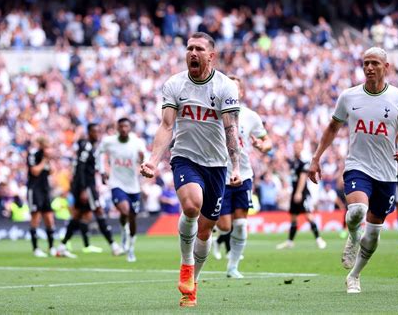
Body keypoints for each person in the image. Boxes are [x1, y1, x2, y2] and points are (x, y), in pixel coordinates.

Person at [140, 32, 242, 307]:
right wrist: (153, 159)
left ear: (211, 55)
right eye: (189, 48)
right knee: (191, 206)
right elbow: (166, 125)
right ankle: (186, 265)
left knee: (206, 230)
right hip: (185, 157)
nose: (192, 53)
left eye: (198, 49)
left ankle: (192, 284)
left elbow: (231, 128)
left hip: (217, 164)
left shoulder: (224, 87)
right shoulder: (175, 84)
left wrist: (236, 166)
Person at [308, 47, 398, 294]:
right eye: (365, 63)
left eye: (374, 63)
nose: (369, 68)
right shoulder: (349, 97)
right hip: (357, 166)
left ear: (386, 67)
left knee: (374, 233)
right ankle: (352, 235)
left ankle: (354, 275)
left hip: (387, 173)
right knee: (357, 209)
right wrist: (316, 159)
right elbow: (331, 128)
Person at [212, 75, 272, 278]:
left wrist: (262, 146)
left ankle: (232, 267)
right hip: (220, 174)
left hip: (244, 175)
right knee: (224, 225)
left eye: (235, 88)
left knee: (240, 224)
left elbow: (267, 141)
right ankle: (214, 234)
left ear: (242, 92)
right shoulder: (214, 114)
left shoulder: (251, 116)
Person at [57, 123, 123, 258]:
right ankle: (114, 246)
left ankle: (62, 246)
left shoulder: (91, 147)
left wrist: (102, 174)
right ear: (89, 132)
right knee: (98, 211)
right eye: (94, 132)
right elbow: (80, 168)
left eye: (98, 131)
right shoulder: (86, 146)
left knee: (78, 215)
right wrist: (83, 189)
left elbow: (87, 167)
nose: (97, 134)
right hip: (86, 186)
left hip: (86, 185)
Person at [97, 118, 147, 262]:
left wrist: (142, 159)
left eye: (126, 126)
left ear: (130, 128)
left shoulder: (137, 142)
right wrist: (102, 170)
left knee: (132, 216)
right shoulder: (109, 141)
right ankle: (124, 231)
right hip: (116, 183)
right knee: (125, 210)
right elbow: (99, 153)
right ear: (117, 128)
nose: (124, 129)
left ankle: (130, 247)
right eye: (121, 127)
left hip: (133, 185)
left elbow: (145, 159)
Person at [277, 141, 327, 250]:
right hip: (295, 192)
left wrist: (299, 192)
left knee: (308, 216)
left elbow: (303, 179)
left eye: (298, 147)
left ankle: (319, 239)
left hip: (302, 193)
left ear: (302, 148)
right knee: (293, 218)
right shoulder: (294, 163)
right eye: (295, 147)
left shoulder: (304, 163)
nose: (296, 149)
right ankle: (290, 241)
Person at [27, 136, 56, 257]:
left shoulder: (48, 159)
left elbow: (52, 171)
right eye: (47, 148)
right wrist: (44, 160)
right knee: (36, 218)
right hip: (34, 190)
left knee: (49, 219)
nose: (50, 150)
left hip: (45, 190)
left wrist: (49, 160)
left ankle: (51, 247)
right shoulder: (33, 155)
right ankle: (36, 248)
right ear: (42, 147)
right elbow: (35, 171)